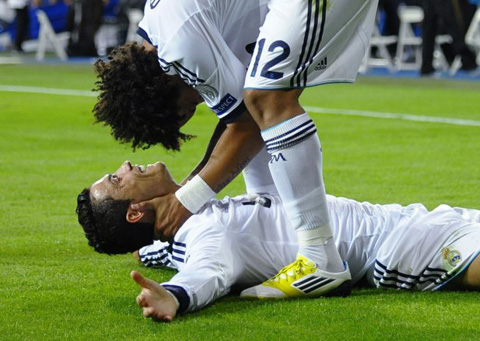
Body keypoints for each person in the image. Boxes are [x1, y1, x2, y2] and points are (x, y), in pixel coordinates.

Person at [92, 0, 380, 299]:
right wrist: (184, 196)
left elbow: (248, 126)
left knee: (266, 98)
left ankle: (319, 258)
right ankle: (284, 227)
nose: (198, 105)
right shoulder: (170, 33)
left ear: (163, 90)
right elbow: (239, 121)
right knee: (258, 98)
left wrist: (187, 199)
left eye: (187, 108)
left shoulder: (180, 44)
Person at [77, 160, 480, 322]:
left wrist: (148, 244)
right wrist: (175, 296)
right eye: (117, 179)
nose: (125, 165)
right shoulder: (208, 236)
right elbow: (208, 272)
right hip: (397, 249)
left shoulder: (183, 225)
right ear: (136, 210)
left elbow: (154, 246)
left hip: (408, 217)